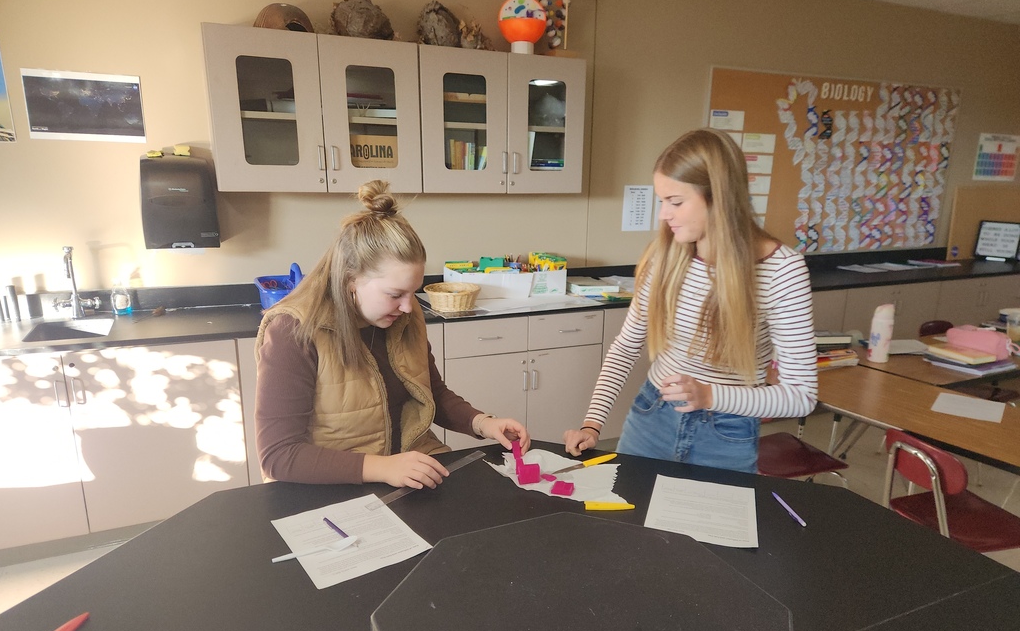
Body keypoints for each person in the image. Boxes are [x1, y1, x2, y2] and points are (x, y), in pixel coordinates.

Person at [563, 128, 817, 473]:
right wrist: (592, 424)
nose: (663, 215)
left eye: (676, 202)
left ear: (720, 198)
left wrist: (711, 395)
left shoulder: (781, 270)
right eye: (661, 201)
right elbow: (625, 347)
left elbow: (800, 395)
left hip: (728, 429)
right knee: (626, 517)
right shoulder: (664, 256)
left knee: (708, 525)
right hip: (652, 415)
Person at [255, 180, 530, 487]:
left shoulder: (403, 316)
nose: (408, 306)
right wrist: (384, 469)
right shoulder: (293, 332)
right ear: (351, 280)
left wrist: (483, 423)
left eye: (412, 292)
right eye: (394, 293)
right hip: (333, 486)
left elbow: (432, 394)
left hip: (412, 468)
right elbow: (279, 455)